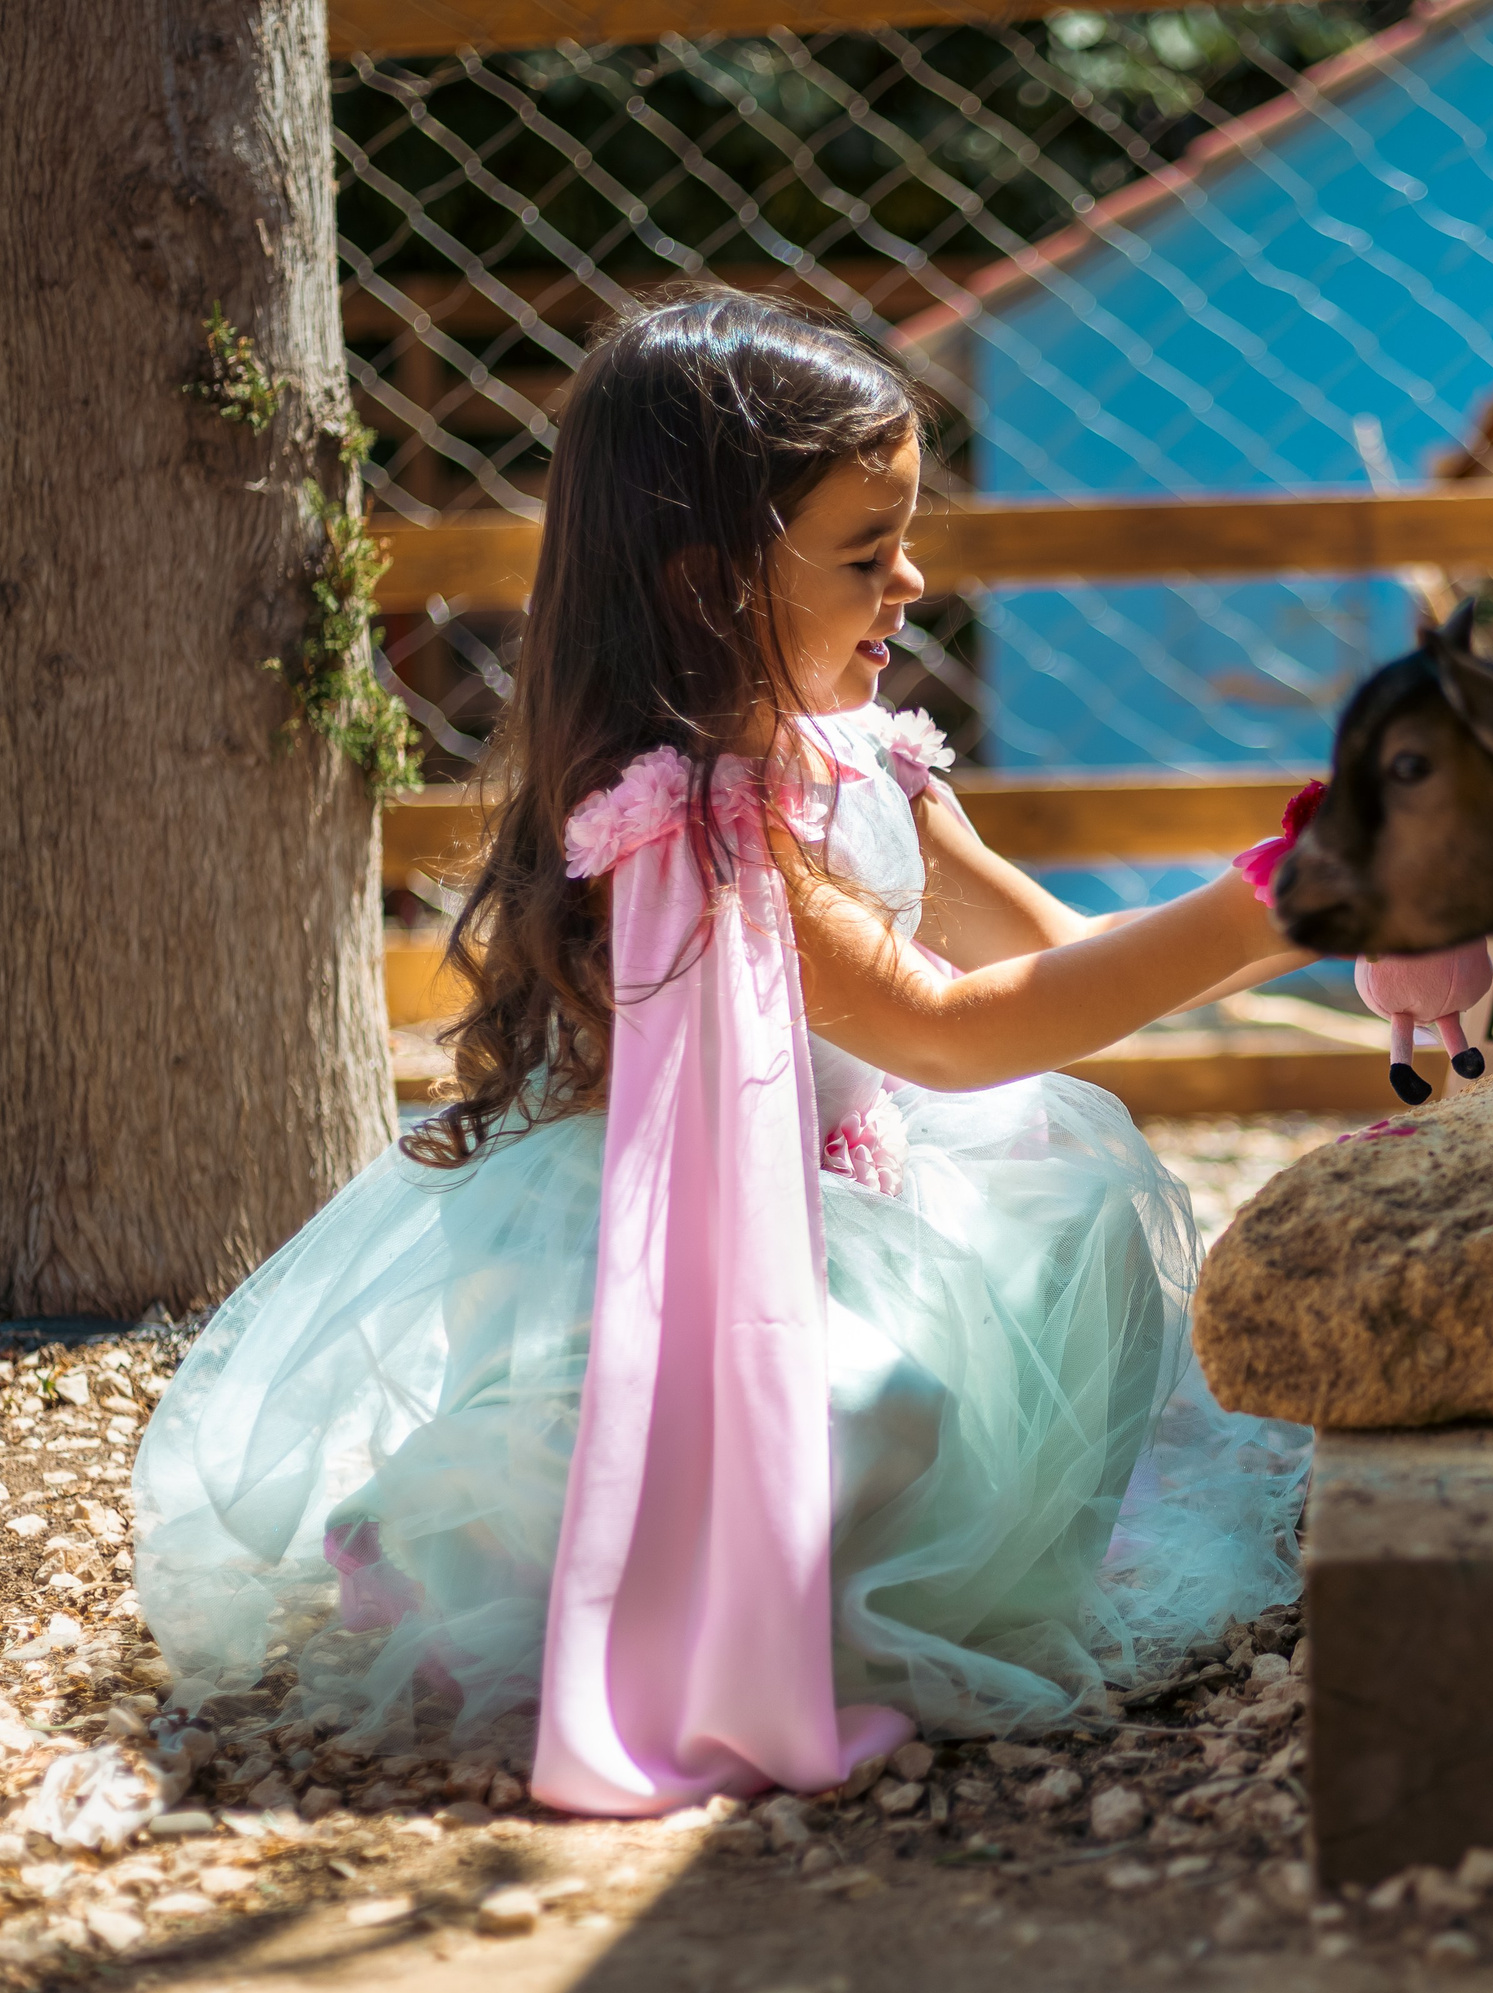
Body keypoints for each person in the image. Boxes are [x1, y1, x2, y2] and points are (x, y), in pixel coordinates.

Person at [133, 290, 1315, 1815]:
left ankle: (968, 1569)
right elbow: (954, 1031)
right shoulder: (694, 825)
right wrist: (1263, 905)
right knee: (876, 1401)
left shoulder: (871, 761)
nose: (913, 579)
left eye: (907, 536)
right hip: (703, 1258)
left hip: (861, 1201)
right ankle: (504, 1550)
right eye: (865, 552)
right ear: (709, 582)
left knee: (1071, 1213)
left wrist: (1293, 904)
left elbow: (1045, 950)